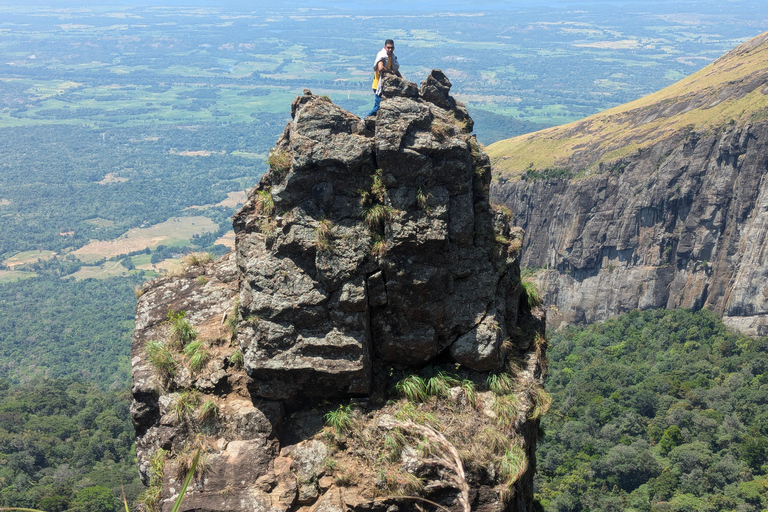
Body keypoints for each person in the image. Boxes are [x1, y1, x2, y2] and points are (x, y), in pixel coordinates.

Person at [365, 39, 403, 117]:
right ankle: (365, 119)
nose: (390, 49)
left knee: (383, 106)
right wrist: (390, 72)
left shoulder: (391, 57)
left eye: (391, 48)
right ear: (385, 47)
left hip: (385, 85)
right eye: (388, 48)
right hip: (378, 85)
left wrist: (402, 79)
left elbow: (395, 70)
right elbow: (380, 68)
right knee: (378, 106)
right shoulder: (382, 56)